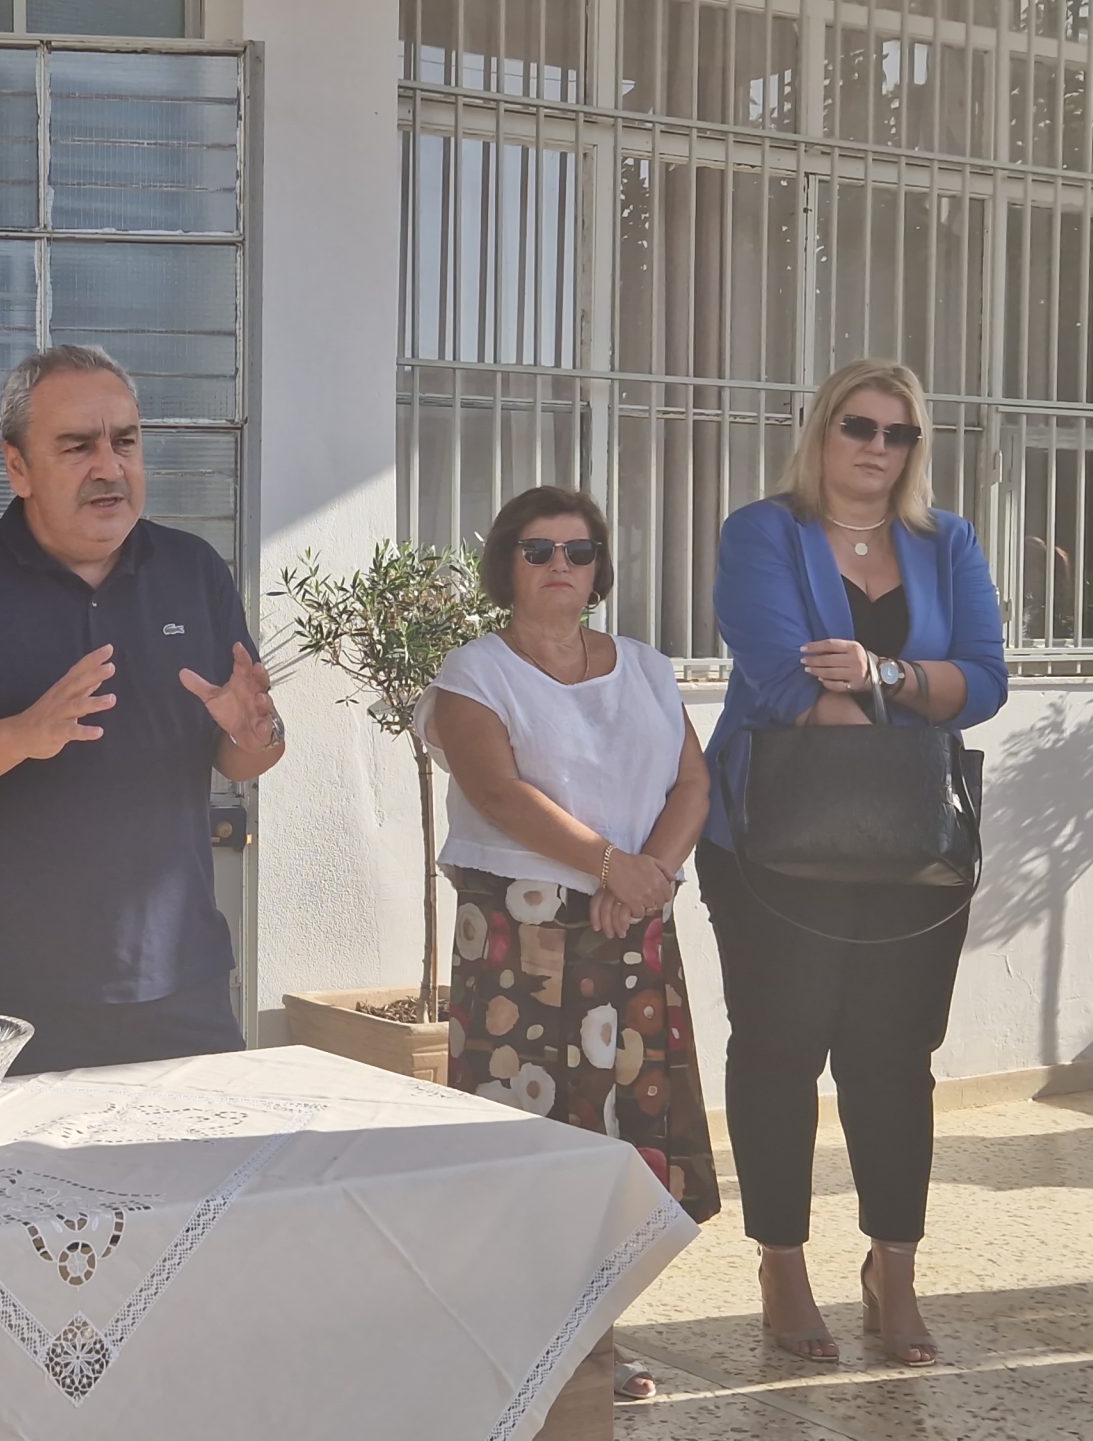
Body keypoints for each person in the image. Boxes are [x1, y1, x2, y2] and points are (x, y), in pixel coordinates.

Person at [698, 358, 1008, 1368]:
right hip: (774, 838)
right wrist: (910, 707)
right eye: (859, 426)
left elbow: (985, 682)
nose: (878, 446)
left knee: (894, 1057)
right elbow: (781, 681)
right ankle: (782, 1264)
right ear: (822, 430)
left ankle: (894, 1268)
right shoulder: (761, 531)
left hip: (912, 847)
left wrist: (886, 672)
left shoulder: (947, 540)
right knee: (779, 1048)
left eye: (899, 432)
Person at [0, 345, 282, 1072]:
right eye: (77, 446)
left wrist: (258, 733)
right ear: (18, 467)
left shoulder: (194, 571)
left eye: (126, 442)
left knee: (209, 1149)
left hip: (178, 978)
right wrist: (22, 734)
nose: (109, 467)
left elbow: (242, 756)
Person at [417, 485, 718, 1401]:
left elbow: (692, 783)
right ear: (507, 563)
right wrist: (611, 866)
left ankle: (596, 1338)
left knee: (621, 1138)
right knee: (531, 1137)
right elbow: (499, 793)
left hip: (631, 932)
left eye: (578, 551)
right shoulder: (474, 671)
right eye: (539, 550)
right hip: (522, 942)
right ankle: (520, 1340)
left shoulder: (646, 667)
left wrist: (646, 875)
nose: (560, 566)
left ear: (599, 569)